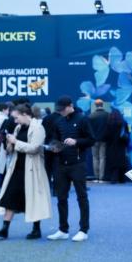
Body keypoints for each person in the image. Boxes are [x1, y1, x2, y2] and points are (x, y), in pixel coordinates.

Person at [0, 104, 52, 240]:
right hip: (17, 167)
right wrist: (9, 144)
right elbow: (13, 148)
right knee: (9, 196)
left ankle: (36, 229)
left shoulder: (38, 128)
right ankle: (4, 229)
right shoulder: (19, 128)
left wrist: (16, 142)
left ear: (25, 114)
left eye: (16, 117)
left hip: (32, 169)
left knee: (33, 198)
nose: (15, 121)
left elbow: (34, 148)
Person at [47, 96, 95, 242]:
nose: (60, 112)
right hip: (61, 164)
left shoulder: (82, 119)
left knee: (82, 197)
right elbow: (54, 139)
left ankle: (83, 229)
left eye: (62, 109)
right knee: (61, 197)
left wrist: (76, 141)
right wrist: (53, 147)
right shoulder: (58, 121)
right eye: (59, 110)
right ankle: (63, 229)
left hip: (78, 164)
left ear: (70, 106)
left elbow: (91, 139)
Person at [103, 108, 129, 183]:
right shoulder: (123, 123)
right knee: (121, 163)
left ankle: (113, 179)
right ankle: (122, 179)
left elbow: (105, 135)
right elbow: (127, 134)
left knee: (112, 163)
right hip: (121, 145)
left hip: (111, 146)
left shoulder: (108, 124)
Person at [88, 99, 109, 183]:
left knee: (95, 158)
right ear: (102, 104)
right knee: (102, 158)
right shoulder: (107, 115)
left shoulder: (91, 116)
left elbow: (89, 129)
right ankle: (101, 178)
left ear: (95, 105)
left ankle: (96, 177)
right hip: (104, 139)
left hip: (94, 140)